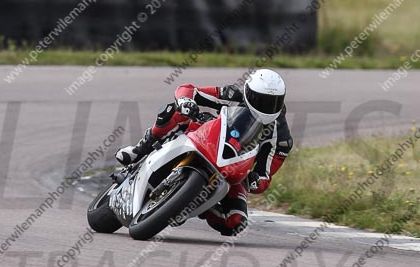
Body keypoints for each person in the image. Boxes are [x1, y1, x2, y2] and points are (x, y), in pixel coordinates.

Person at [115, 69, 293, 237]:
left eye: (273, 102)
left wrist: (256, 181)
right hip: (205, 136)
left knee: (235, 222)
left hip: (234, 169)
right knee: (176, 112)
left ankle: (195, 203)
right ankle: (140, 150)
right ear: (247, 91)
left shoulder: (281, 137)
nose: (267, 106)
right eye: (259, 99)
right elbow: (189, 90)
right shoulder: (233, 95)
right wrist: (186, 101)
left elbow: (266, 174)